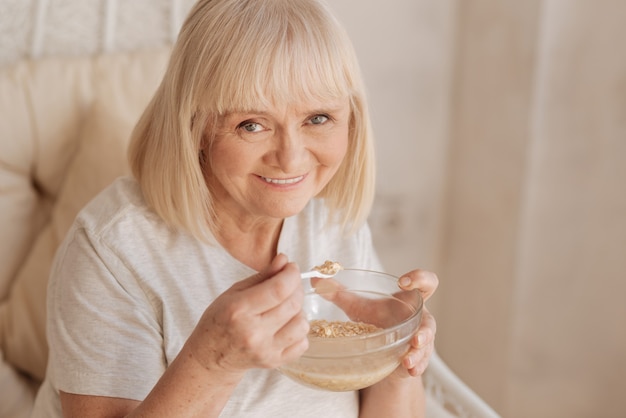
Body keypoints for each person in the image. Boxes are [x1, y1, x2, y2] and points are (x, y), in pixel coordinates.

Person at [31, 0, 438, 416]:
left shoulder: (331, 220)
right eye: (252, 125)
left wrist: (392, 356)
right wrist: (212, 362)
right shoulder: (114, 249)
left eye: (317, 118)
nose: (291, 158)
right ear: (197, 128)